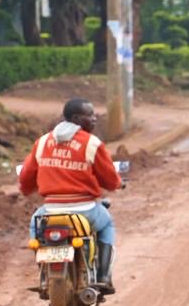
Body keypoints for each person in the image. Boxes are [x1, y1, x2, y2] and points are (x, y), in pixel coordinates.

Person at [19, 98, 122, 293]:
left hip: (50, 211)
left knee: (35, 224)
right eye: (90, 115)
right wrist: (116, 183)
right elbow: (110, 179)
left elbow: (26, 178)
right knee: (107, 224)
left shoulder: (42, 142)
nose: (95, 119)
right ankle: (103, 276)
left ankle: (44, 273)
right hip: (85, 210)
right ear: (76, 118)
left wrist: (26, 189)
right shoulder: (92, 144)